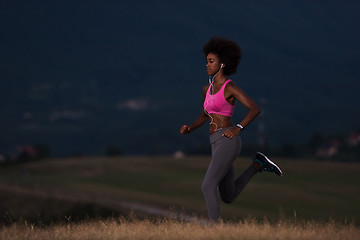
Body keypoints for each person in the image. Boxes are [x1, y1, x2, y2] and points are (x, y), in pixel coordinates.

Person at [180, 37, 282, 222]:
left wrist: (238, 128)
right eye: (206, 61)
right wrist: (191, 128)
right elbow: (204, 114)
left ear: (223, 64)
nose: (207, 65)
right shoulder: (206, 89)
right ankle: (257, 165)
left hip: (228, 140)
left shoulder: (230, 88)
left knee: (207, 186)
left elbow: (254, 108)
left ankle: (215, 232)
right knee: (228, 195)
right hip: (215, 143)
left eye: (211, 62)